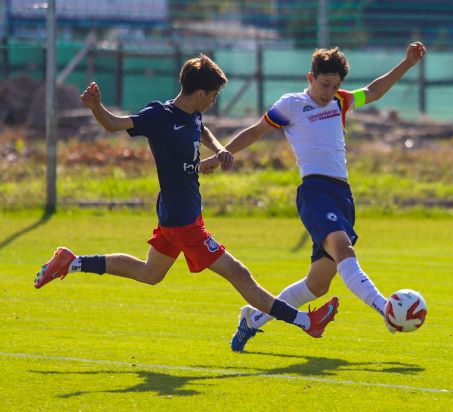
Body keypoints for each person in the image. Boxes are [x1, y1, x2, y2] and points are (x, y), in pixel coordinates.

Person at [34, 53, 339, 339]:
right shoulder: (160, 116)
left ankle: (71, 262)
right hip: (183, 221)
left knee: (150, 273)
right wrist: (96, 107)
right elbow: (114, 124)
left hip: (178, 214)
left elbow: (201, 130)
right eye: (213, 96)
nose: (214, 101)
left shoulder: (193, 114)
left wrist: (220, 150)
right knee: (239, 274)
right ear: (200, 93)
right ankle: (306, 322)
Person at [201, 42, 426, 351]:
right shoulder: (291, 104)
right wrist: (219, 156)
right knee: (344, 250)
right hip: (315, 192)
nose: (329, 91)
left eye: (335, 86)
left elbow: (373, 91)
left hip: (342, 196)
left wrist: (407, 63)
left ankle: (253, 319)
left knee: (316, 286)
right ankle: (385, 309)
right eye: (324, 84)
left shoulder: (341, 101)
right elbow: (255, 132)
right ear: (311, 78)